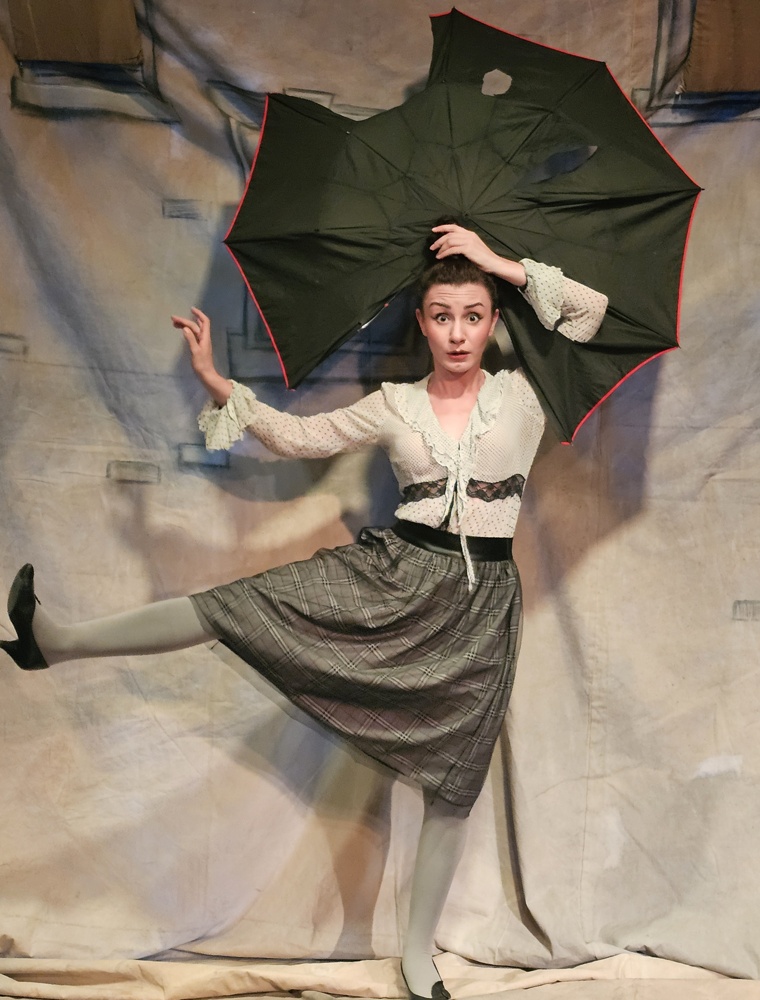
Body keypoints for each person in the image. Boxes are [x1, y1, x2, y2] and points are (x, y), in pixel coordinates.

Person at [1, 224, 607, 1000]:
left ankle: (417, 958)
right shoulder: (395, 405)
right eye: (442, 315)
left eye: (473, 314)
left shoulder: (523, 393)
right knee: (237, 606)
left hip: (482, 606)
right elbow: (296, 437)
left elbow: (590, 312)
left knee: (453, 784)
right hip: (394, 578)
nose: (458, 332)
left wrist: (495, 263)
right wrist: (216, 381)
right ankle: (58, 642)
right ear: (421, 324)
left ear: (492, 321)